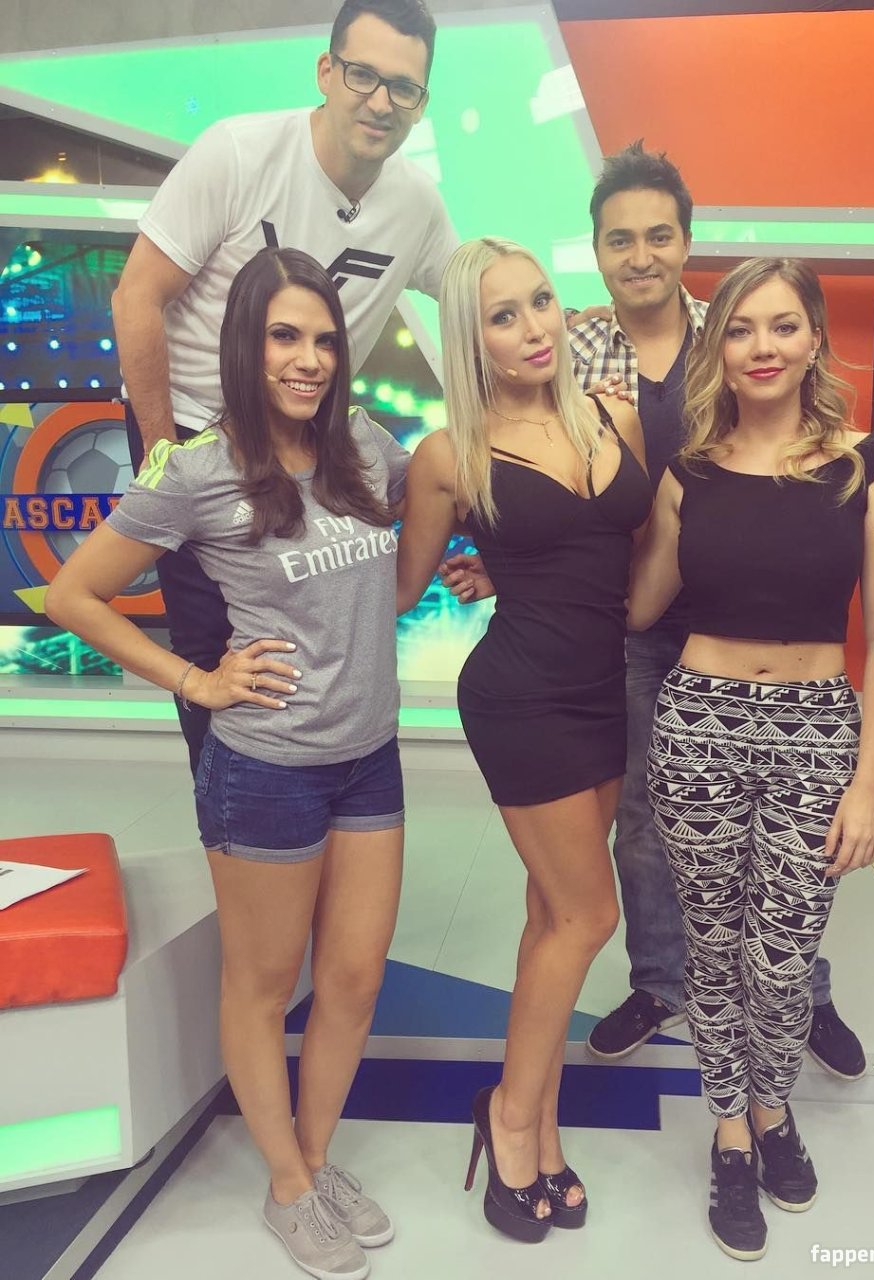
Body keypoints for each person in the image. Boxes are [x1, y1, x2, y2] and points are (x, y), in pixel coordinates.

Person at [445, 142, 868, 1082]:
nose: (640, 256)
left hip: (741, 616)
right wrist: (516, 569)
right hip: (630, 621)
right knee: (643, 819)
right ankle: (659, 981)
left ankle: (800, 992)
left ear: (685, 241)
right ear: (596, 250)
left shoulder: (736, 333)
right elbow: (554, 488)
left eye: (658, 236)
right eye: (619, 239)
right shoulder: (569, 347)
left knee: (776, 828)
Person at [47, 248, 410, 1280]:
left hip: (368, 757)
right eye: (284, 336)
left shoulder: (362, 446)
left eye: (323, 339)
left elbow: (431, 505)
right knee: (262, 983)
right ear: (244, 346)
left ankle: (316, 1156)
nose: (307, 359)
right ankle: (287, 1183)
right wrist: (195, 680)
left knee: (352, 976)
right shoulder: (196, 471)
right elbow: (73, 595)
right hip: (266, 768)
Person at [628, 256, 874, 1261]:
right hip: (696, 724)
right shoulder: (688, 473)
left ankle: (772, 1104)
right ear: (719, 346)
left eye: (781, 325)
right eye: (741, 328)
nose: (760, 346)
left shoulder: (867, 464)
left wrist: (869, 784)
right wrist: (511, 559)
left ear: (812, 339)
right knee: (710, 949)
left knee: (782, 955)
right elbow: (637, 604)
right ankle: (730, 1130)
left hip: (816, 731)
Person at [111, 0, 458, 777]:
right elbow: (138, 296)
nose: (380, 101)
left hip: (309, 434)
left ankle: (328, 792)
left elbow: (473, 297)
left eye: (403, 87)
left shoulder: (416, 204)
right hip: (195, 427)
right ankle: (233, 823)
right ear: (326, 71)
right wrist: (166, 457)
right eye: (363, 75)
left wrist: (566, 316)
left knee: (312, 623)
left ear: (421, 102)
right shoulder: (239, 152)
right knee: (213, 648)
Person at [396, 238, 650, 1242]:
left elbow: (609, 547)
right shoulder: (448, 456)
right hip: (521, 696)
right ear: (473, 341)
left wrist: (511, 567)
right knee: (587, 916)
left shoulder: (613, 414)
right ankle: (507, 1114)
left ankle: (536, 1120)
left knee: (551, 913)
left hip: (603, 690)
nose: (533, 327)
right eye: (502, 316)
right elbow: (399, 586)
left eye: (539, 302)